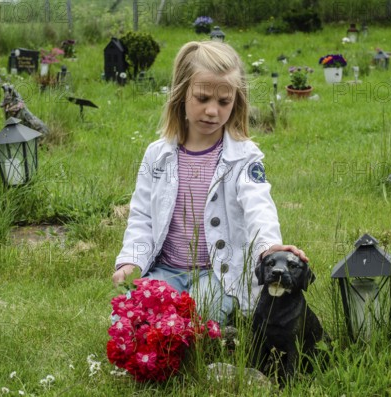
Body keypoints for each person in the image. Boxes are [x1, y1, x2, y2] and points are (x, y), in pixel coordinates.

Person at [112, 40, 308, 325]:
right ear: (181, 94)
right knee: (129, 316)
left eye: (223, 102)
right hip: (166, 268)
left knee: (200, 313)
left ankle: (214, 322)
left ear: (236, 102)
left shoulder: (244, 157)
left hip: (218, 272)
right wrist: (132, 260)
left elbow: (259, 205)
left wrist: (270, 247)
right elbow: (141, 214)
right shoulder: (158, 154)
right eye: (202, 98)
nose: (212, 111)